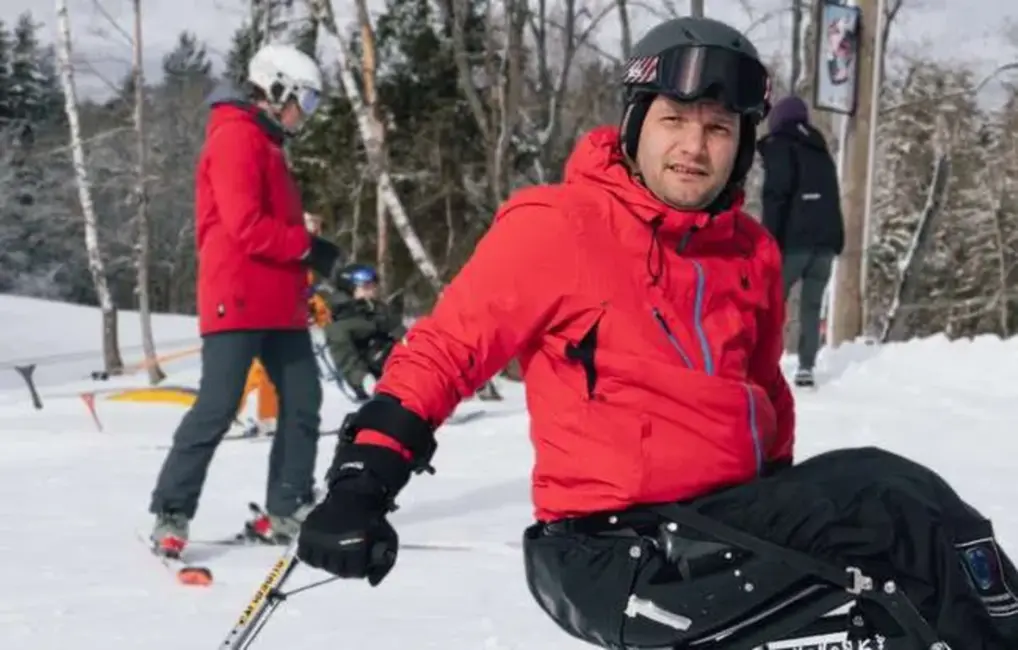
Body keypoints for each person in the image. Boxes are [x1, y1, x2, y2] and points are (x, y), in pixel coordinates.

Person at [295, 17, 1018, 650]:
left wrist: (792, 511)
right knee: (893, 499)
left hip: (722, 526)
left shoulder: (750, 252)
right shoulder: (560, 225)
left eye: (719, 128)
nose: (694, 147)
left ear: (741, 147)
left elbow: (764, 399)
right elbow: (447, 349)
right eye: (675, 120)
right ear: (636, 123)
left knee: (897, 583)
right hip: (616, 548)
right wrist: (364, 480)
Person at [148, 43, 343, 553]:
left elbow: (266, 223)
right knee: (217, 406)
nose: (307, 113)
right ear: (277, 89)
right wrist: (306, 245)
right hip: (235, 298)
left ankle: (288, 505)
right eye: (306, 100)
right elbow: (245, 227)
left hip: (280, 301)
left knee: (303, 402)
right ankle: (172, 511)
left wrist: (303, 246)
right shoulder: (236, 138)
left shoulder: (268, 141)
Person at [757, 95, 845, 387]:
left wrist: (768, 240)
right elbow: (833, 199)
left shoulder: (782, 146)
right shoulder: (820, 150)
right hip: (824, 245)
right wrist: (836, 240)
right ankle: (806, 366)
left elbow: (776, 197)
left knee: (770, 303)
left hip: (792, 244)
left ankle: (761, 363)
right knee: (811, 306)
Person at [323, 264, 407, 401]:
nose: (372, 291)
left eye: (373, 286)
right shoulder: (339, 324)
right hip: (371, 377)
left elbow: (401, 333)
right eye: (366, 287)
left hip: (395, 363)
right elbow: (345, 359)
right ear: (350, 289)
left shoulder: (378, 309)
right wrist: (364, 379)